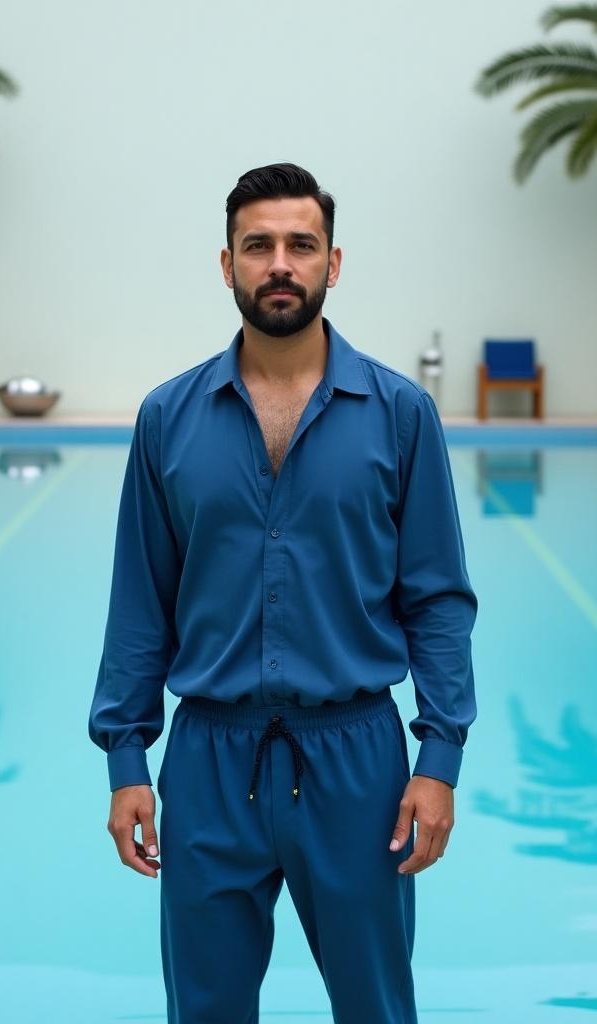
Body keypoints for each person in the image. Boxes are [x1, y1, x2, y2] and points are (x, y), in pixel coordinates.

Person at [88, 162, 478, 1024]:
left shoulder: (400, 414)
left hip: (359, 761)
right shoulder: (168, 419)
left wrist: (439, 758)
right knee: (205, 1010)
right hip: (207, 762)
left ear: (333, 264)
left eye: (301, 245)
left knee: (376, 1010)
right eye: (257, 245)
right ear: (225, 264)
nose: (280, 265)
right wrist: (126, 760)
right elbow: (139, 603)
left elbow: (438, 599)